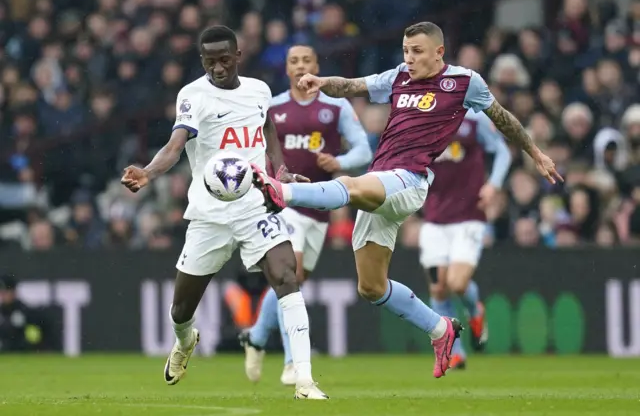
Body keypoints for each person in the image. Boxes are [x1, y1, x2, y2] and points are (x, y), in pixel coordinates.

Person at [251, 21, 562, 378]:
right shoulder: (400, 76)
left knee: (350, 186)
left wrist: (535, 152)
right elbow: (354, 85)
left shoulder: (464, 82)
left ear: (438, 52)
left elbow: (502, 118)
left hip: (408, 180)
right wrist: (323, 83)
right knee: (371, 287)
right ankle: (441, 330)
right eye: (405, 51)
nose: (409, 59)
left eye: (416, 51)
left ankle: (281, 191)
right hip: (382, 180)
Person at [120, 26, 328, 400]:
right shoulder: (193, 96)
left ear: (237, 56)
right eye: (209, 61)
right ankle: (185, 343)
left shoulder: (259, 91)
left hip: (254, 207)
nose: (217, 67)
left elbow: (268, 132)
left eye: (223, 59)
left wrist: (278, 171)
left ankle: (305, 381)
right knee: (181, 309)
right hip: (209, 216)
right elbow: (174, 145)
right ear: (202, 60)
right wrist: (149, 173)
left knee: (287, 277)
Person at [240, 44, 372, 386]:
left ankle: (255, 336)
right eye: (294, 61)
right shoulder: (274, 107)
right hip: (283, 204)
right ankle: (292, 362)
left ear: (317, 65)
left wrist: (339, 163)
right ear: (286, 69)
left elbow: (363, 149)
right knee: (291, 273)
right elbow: (257, 149)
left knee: (294, 280)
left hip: (319, 209)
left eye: (307, 60)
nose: (300, 66)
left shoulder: (335, 106)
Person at [420, 109, 511, 369]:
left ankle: (475, 311)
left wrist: (493, 184)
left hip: (469, 216)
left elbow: (502, 152)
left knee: (457, 283)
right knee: (438, 288)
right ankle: (455, 350)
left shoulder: (473, 118)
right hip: (434, 219)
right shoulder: (421, 120)